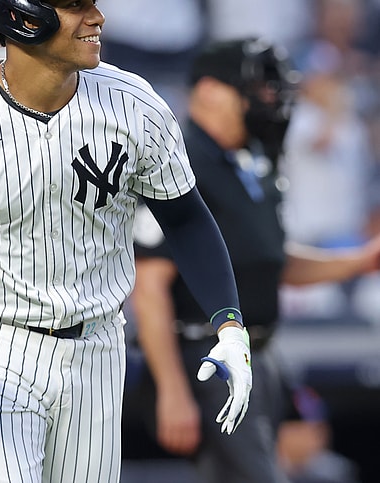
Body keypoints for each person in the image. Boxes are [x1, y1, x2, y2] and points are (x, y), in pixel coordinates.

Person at [0, 1, 254, 481]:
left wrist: (230, 325)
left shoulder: (135, 104)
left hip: (98, 348)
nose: (96, 18)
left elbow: (186, 220)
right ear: (24, 15)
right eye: (76, 6)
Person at [130, 38, 380, 483]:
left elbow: (270, 263)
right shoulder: (179, 161)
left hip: (260, 353)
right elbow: (150, 285)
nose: (270, 101)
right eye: (257, 89)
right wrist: (171, 388)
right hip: (203, 355)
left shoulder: (251, 161)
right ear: (209, 90)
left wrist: (361, 261)